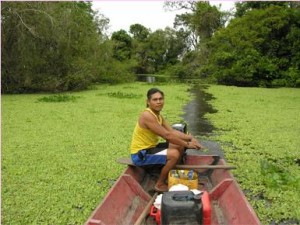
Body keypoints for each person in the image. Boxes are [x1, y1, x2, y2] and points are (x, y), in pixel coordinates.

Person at [130, 88, 203, 192]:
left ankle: (170, 173)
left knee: (179, 146)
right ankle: (159, 184)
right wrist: (188, 144)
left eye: (161, 99)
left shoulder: (158, 115)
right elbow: (167, 136)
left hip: (151, 148)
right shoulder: (147, 115)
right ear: (148, 102)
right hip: (141, 154)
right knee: (174, 154)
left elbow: (172, 131)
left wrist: (190, 138)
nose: (158, 102)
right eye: (155, 99)